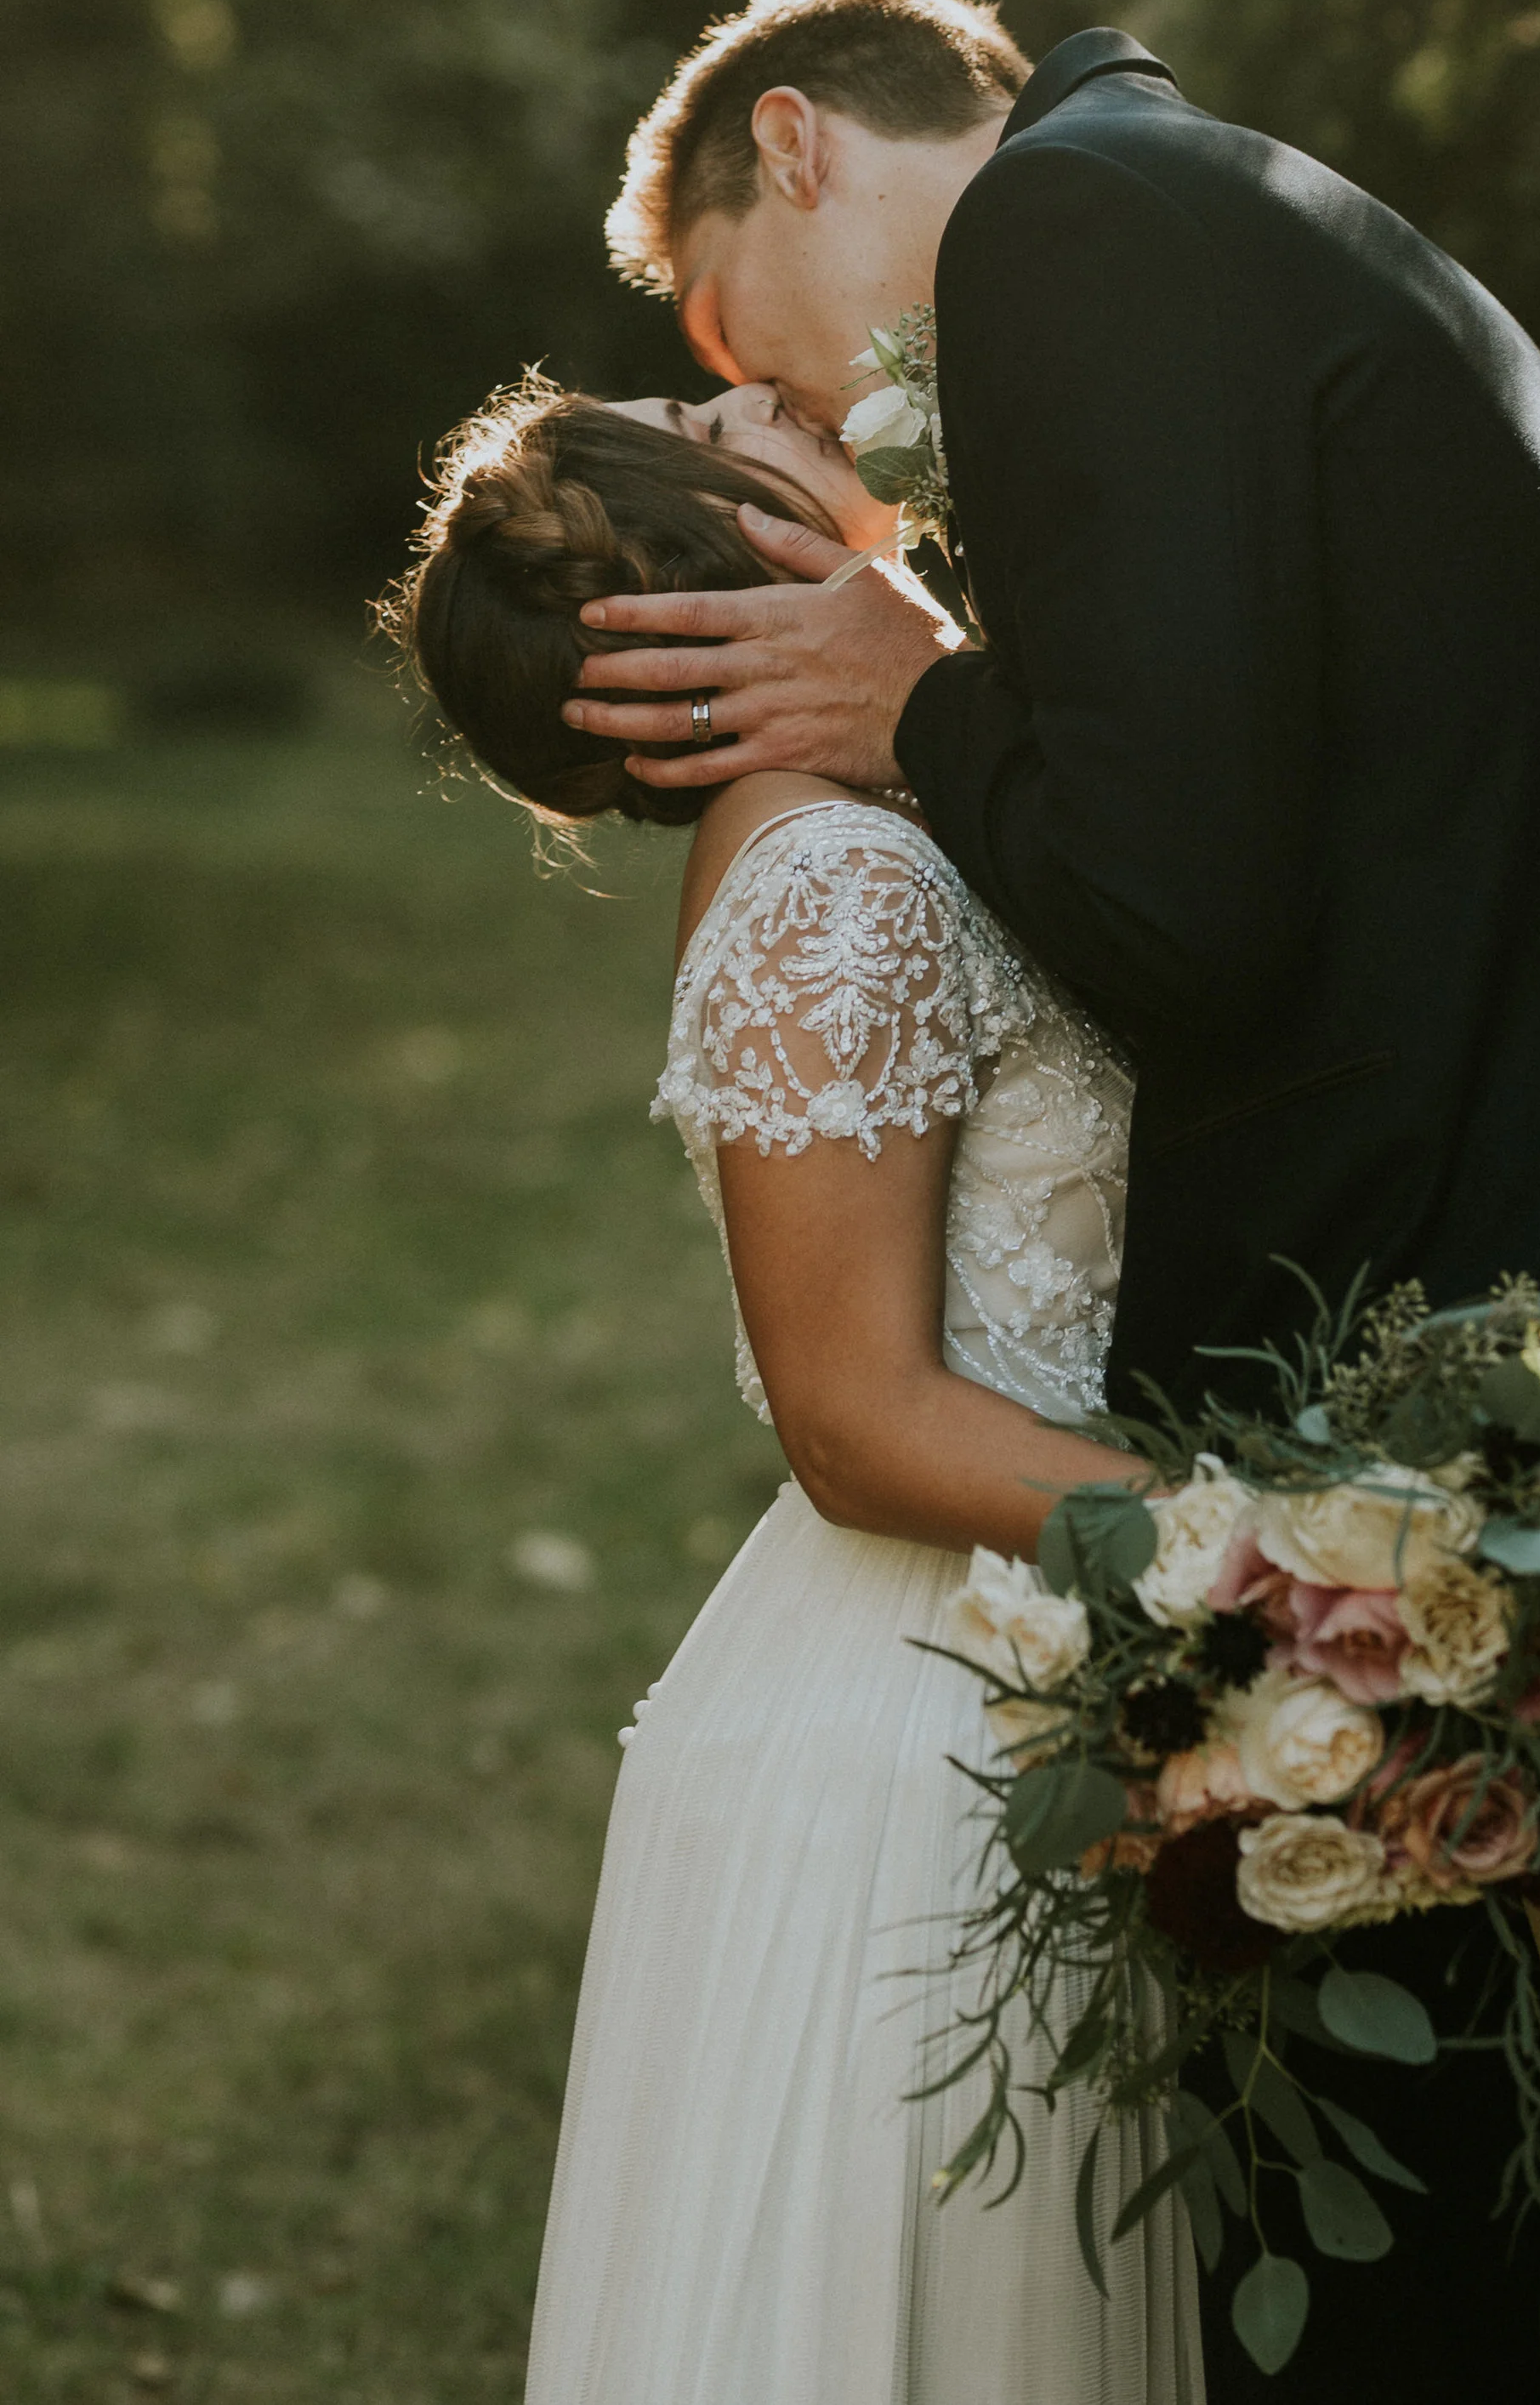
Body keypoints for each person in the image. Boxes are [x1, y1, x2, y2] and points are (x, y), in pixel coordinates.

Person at [562, 0, 1540, 2402]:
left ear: (793, 144)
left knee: (1418, 2245)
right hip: (1503, 1292)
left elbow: (1182, 903)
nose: (789, 406)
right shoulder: (1205, 204)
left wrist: (917, 694)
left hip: (1418, 1320)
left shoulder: (1065, 236)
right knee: (1469, 2207)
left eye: (733, 336)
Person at [384, 376, 1203, 2405]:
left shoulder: (894, 817)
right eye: (701, 410)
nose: (752, 383)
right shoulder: (834, 880)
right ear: (714, 564)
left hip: (1030, 1643)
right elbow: (853, 1420)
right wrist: (1277, 1564)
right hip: (929, 1725)